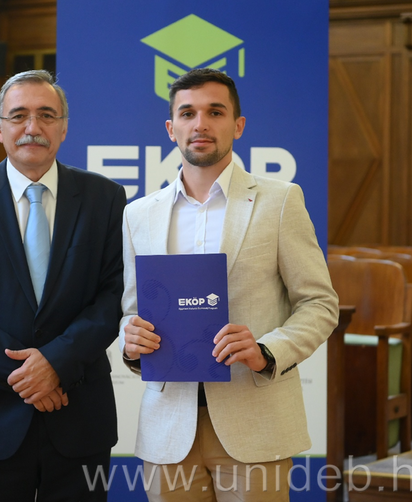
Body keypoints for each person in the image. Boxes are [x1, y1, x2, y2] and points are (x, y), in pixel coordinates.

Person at [120, 68, 338, 501]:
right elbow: (132, 309)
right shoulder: (138, 214)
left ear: (238, 125)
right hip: (168, 429)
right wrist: (131, 340)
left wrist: (267, 351)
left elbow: (319, 303)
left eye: (215, 112)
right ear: (171, 128)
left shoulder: (280, 201)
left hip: (255, 423)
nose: (200, 124)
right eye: (188, 113)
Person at [0, 70, 126, 502]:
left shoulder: (105, 198)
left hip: (78, 413)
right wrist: (27, 376)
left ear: (64, 127)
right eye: (18, 116)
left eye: (46, 115)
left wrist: (55, 363)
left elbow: (114, 296)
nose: (32, 127)